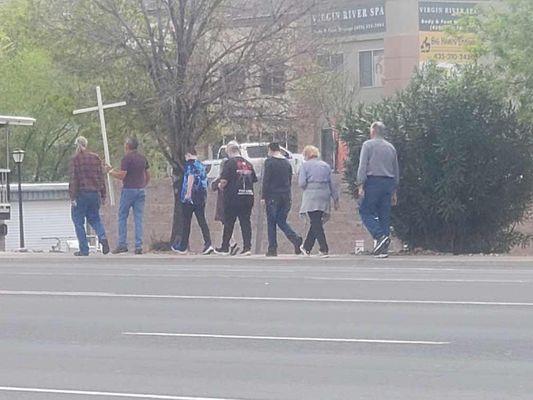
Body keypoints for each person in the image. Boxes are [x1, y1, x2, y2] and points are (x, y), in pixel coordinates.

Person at [357, 121, 400, 258]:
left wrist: (360, 184)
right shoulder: (391, 147)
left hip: (373, 181)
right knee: (384, 214)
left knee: (365, 211)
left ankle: (380, 236)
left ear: (373, 131)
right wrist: (394, 190)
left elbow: (363, 165)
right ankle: (383, 247)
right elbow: (396, 169)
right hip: (388, 182)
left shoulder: (367, 145)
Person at [106, 137, 150, 255]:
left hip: (129, 190)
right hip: (140, 190)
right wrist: (143, 184)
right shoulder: (142, 158)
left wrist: (110, 172)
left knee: (122, 216)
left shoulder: (127, 159)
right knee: (138, 218)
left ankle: (122, 244)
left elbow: (122, 175)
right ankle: (138, 246)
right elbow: (147, 174)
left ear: (127, 146)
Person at [69, 136, 110, 257]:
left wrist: (72, 197)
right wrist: (103, 194)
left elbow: (73, 179)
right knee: (95, 218)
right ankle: (102, 237)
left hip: (81, 194)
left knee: (78, 221)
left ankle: (84, 249)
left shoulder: (75, 159)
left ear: (76, 145)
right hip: (95, 193)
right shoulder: (95, 158)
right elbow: (101, 177)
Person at [215, 141, 258, 256]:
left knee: (229, 222)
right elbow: (253, 179)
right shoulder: (248, 163)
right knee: (246, 223)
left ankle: (225, 247)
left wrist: (219, 186)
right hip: (248, 196)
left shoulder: (229, 163)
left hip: (233, 197)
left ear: (229, 151)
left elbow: (224, 181)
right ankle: (247, 247)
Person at [262, 142, 302, 257]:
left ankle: (272, 248)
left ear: (270, 149)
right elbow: (289, 179)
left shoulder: (269, 162)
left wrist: (263, 196)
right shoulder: (286, 163)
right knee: (281, 220)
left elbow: (266, 180)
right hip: (285, 195)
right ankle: (295, 239)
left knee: (271, 222)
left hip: (273, 195)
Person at [171, 146, 213, 255]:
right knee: (202, 220)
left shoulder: (190, 164)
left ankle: (183, 246)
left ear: (188, 155)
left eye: (186, 156)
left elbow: (190, 177)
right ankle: (208, 243)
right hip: (201, 197)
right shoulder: (201, 165)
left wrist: (188, 194)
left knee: (186, 222)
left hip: (190, 199)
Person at [298, 145, 339, 258]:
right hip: (324, 194)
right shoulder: (325, 166)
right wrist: (335, 199)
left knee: (315, 221)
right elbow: (332, 184)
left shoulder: (305, 166)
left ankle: (323, 248)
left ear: (307, 155)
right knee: (316, 222)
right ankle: (307, 247)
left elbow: (302, 183)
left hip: (311, 195)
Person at [211, 153, 239, 256]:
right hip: (228, 202)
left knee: (226, 224)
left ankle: (232, 244)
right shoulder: (233, 178)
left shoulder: (222, 178)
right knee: (226, 224)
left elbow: (213, 186)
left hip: (223, 203)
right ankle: (232, 244)